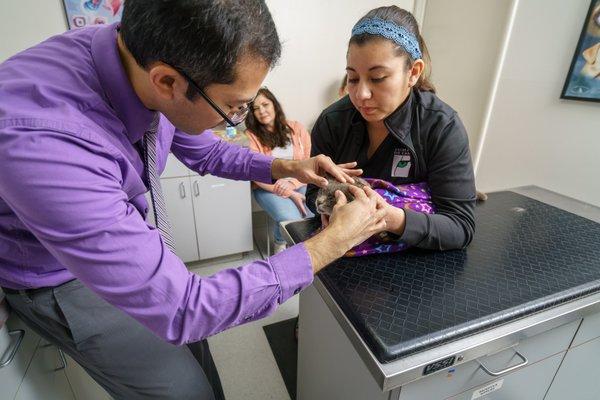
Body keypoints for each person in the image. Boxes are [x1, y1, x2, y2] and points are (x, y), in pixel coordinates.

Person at [0, 1, 388, 399]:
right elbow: (184, 309)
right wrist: (332, 242)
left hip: (121, 238)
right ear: (167, 82)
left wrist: (287, 167)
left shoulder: (143, 58)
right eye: (234, 107)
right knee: (184, 391)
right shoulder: (46, 144)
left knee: (200, 355)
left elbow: (209, 151)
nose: (237, 120)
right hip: (60, 275)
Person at [307, 6, 477, 251]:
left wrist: (390, 218)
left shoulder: (441, 127)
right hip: (345, 261)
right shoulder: (332, 122)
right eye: (353, 78)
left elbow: (460, 226)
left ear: (413, 72)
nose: (361, 94)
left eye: (377, 78)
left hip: (417, 267)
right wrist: (332, 199)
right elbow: (312, 195)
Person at [245, 87, 313, 254]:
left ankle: (302, 252)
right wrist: (290, 193)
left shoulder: (297, 128)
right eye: (255, 108)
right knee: (291, 218)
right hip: (267, 187)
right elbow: (255, 173)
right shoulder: (251, 136)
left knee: (312, 215)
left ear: (274, 105)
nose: (261, 111)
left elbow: (308, 162)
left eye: (265, 104)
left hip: (299, 181)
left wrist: (291, 183)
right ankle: (279, 244)